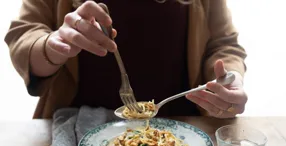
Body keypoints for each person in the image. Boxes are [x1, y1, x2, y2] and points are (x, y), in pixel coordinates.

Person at [4, 0, 248, 119]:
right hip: (76, 134)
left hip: (184, 132)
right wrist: (52, 47)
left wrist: (228, 81)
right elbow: (23, 34)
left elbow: (223, 44)